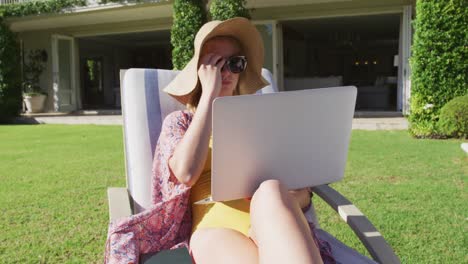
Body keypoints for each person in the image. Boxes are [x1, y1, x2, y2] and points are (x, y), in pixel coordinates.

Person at [104, 17, 334, 264]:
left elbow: (302, 196)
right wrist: (209, 95)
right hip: (216, 225)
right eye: (215, 63)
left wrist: (297, 195)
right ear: (200, 70)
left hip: (275, 217)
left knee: (271, 189)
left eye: (235, 63)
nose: (226, 71)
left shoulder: (263, 119)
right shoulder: (181, 121)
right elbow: (186, 172)